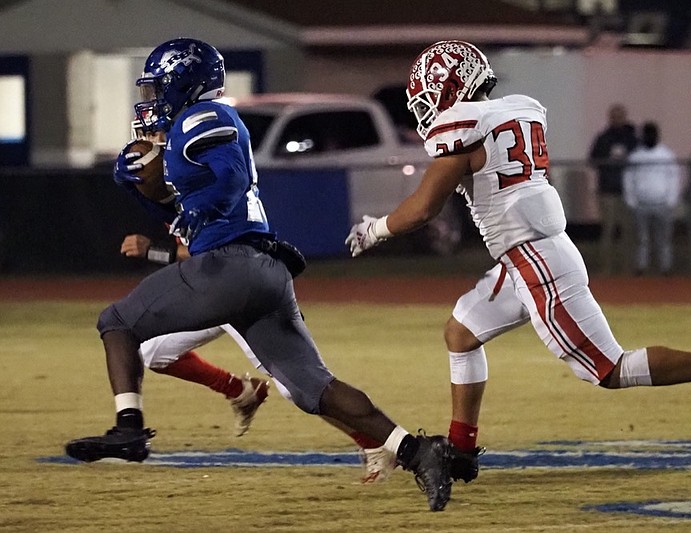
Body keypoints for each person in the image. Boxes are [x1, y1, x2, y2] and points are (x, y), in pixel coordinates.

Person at [346, 39, 691, 485]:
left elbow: (423, 208)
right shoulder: (515, 110)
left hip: (535, 261)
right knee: (461, 332)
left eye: (428, 98)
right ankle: (460, 450)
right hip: (526, 255)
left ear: (450, 87)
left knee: (611, 369)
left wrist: (376, 228)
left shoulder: (465, 126)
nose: (426, 112)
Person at [64, 38, 449, 512]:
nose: (152, 98)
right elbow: (185, 204)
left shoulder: (200, 117)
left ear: (183, 82)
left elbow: (225, 180)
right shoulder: (192, 128)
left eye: (158, 86)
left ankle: (129, 431)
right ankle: (418, 452)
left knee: (117, 322)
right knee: (314, 389)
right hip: (263, 273)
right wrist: (144, 187)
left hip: (228, 267)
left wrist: (195, 211)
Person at [121, 232, 396, 482]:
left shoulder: (205, 186)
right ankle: (240, 391)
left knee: (297, 386)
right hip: (213, 296)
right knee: (153, 352)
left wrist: (153, 250)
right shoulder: (177, 192)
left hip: (246, 299)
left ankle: (375, 442)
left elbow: (210, 254)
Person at [622, 121, 682, 276]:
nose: (649, 137)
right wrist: (631, 200)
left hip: (663, 203)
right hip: (641, 203)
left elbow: (674, 177)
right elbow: (629, 179)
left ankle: (665, 268)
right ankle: (641, 267)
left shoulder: (666, 155)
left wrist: (671, 200)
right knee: (642, 239)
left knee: (664, 239)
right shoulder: (636, 156)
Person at [589, 103, 638, 275]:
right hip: (607, 190)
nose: (617, 119)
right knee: (608, 231)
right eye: (614, 116)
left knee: (628, 230)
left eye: (620, 116)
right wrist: (608, 159)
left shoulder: (632, 138)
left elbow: (638, 158)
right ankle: (606, 268)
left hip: (627, 191)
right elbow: (593, 159)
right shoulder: (603, 138)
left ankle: (627, 268)